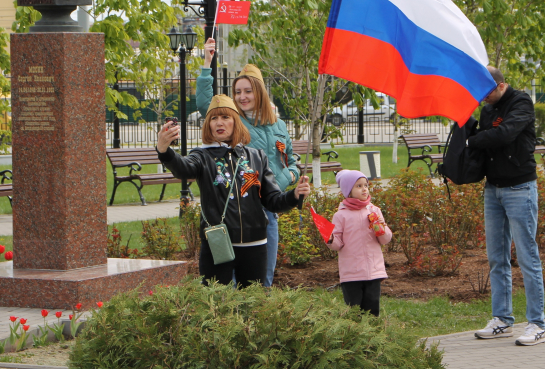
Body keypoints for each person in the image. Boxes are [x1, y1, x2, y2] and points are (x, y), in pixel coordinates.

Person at [157, 94, 310, 287]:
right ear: (208, 125)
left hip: (255, 244)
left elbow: (272, 200)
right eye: (214, 118)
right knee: (216, 300)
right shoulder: (201, 156)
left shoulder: (256, 157)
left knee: (253, 300)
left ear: (236, 122)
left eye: (225, 117)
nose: (219, 123)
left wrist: (294, 195)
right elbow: (182, 168)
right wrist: (164, 151)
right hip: (218, 244)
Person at [196, 38, 301, 287]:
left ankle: (258, 312)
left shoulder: (278, 124)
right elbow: (205, 103)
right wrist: (207, 64)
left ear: (260, 92)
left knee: (263, 278)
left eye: (248, 91)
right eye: (238, 92)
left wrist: (288, 177)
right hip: (238, 208)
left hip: (268, 209)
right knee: (229, 281)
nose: (242, 97)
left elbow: (291, 159)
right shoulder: (235, 121)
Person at [467, 67, 545, 346]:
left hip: (520, 188)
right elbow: (488, 141)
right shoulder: (488, 109)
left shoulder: (521, 102)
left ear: (502, 85)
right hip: (493, 189)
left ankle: (537, 324)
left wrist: (471, 140)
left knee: (527, 257)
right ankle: (502, 319)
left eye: (486, 91)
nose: (483, 97)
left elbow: (504, 135)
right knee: (497, 258)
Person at [326, 170, 392, 316]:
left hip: (373, 271)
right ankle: (355, 330)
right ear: (348, 191)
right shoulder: (341, 215)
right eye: (359, 186)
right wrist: (330, 239)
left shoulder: (374, 211)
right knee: (354, 310)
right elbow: (337, 244)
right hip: (351, 273)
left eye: (365, 185)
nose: (364, 189)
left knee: (372, 309)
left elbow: (385, 240)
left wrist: (382, 228)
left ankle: (372, 330)